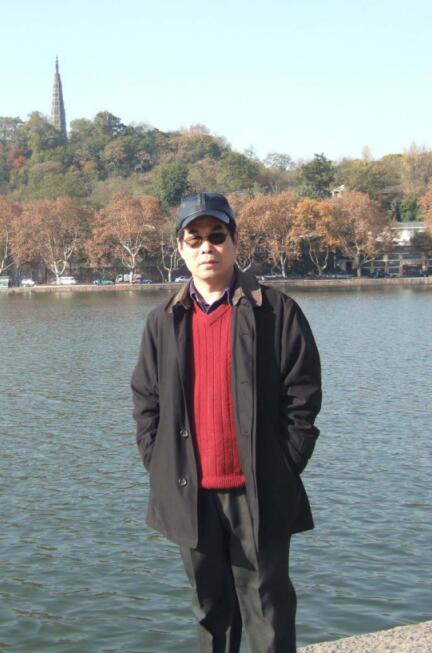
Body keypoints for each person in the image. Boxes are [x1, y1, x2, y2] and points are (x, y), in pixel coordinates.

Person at [131, 192, 322, 653]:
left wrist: (283, 465)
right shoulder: (164, 319)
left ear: (235, 241)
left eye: (217, 236)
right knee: (210, 611)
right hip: (191, 492)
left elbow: (303, 397)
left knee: (268, 611)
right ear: (180, 248)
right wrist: (160, 463)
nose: (206, 248)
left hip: (258, 489)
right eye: (194, 239)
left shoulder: (275, 311)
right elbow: (146, 401)